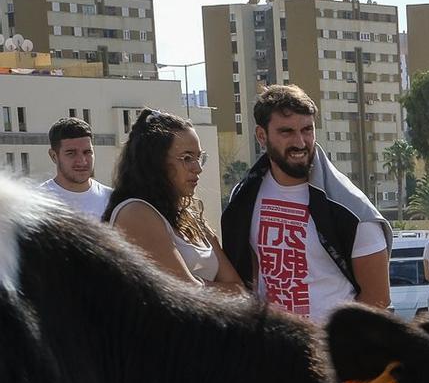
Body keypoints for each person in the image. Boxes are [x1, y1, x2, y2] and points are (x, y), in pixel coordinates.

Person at [219, 84, 390, 321]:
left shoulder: (351, 210)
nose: (300, 142)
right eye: (286, 132)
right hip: (271, 348)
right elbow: (251, 274)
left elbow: (377, 298)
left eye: (307, 130)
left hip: (327, 352)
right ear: (262, 136)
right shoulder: (244, 198)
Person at [104, 108, 244, 292]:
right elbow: (186, 293)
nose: (197, 168)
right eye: (187, 158)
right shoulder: (135, 212)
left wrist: (199, 285)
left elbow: (239, 290)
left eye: (199, 158)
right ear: (155, 162)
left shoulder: (191, 217)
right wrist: (207, 287)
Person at [37, 117, 112, 218]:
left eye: (87, 152)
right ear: (54, 156)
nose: (82, 161)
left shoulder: (112, 200)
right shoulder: (37, 202)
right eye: (71, 153)